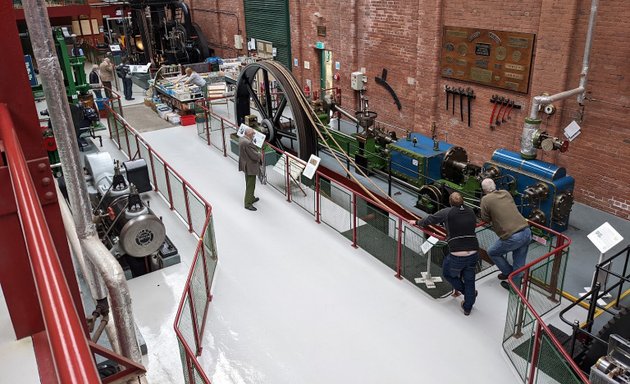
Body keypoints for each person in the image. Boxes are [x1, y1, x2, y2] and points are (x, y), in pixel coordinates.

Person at [414, 192, 479, 316]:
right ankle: (467, 307)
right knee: (470, 280)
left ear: (450, 203)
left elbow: (430, 219)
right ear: (463, 201)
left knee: (448, 274)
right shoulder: (471, 211)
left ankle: (466, 292)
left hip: (457, 253)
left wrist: (417, 222)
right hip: (473, 251)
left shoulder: (447, 212)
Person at [480, 178, 532, 290]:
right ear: (494, 186)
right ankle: (515, 286)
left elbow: (485, 218)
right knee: (519, 260)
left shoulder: (485, 199)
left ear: (484, 190)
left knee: (492, 252)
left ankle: (507, 272)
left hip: (512, 236)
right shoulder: (505, 192)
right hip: (526, 231)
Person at [238, 127, 261, 211]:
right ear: (249, 134)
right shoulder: (247, 143)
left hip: (245, 164)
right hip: (250, 166)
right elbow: (254, 155)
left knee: (249, 182)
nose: (254, 135)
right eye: (252, 134)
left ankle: (251, 197)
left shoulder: (242, 139)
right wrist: (260, 155)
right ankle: (248, 203)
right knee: (250, 185)